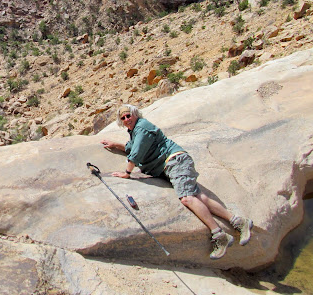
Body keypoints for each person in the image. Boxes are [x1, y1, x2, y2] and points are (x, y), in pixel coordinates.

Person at [100, 104, 253, 259]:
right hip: (171, 164)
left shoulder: (142, 127)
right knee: (199, 197)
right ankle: (238, 221)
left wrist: (127, 173)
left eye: (128, 115)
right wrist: (114, 144)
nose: (127, 119)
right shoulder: (135, 131)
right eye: (123, 118)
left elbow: (136, 152)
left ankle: (219, 235)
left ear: (135, 114)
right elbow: (131, 147)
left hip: (174, 161)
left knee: (187, 198)